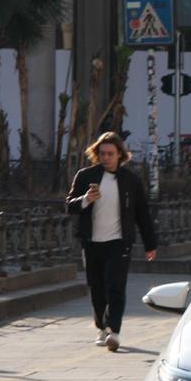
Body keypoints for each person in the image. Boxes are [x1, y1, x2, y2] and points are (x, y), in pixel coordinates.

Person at [65, 132, 157, 352]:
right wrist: (86, 200)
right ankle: (101, 327)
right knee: (96, 287)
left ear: (120, 155)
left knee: (115, 286)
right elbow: (69, 205)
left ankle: (114, 331)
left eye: (110, 154)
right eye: (102, 153)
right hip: (92, 241)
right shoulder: (86, 176)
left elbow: (142, 213)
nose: (106, 158)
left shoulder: (130, 180)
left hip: (119, 241)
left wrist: (150, 244)